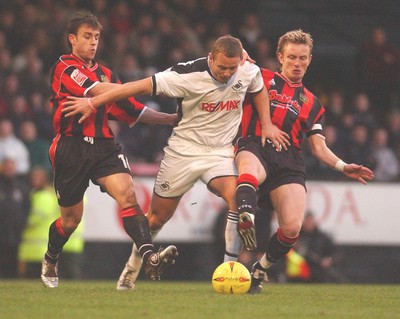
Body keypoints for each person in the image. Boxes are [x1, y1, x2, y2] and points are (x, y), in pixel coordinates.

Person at [62, 34, 290, 290]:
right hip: (182, 153)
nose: (227, 73)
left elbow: (258, 89)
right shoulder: (184, 75)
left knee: (238, 199)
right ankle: (131, 269)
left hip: (219, 152)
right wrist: (92, 102)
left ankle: (229, 272)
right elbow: (133, 87)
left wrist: (267, 124)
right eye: (222, 67)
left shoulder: (247, 71)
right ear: (210, 57)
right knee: (157, 218)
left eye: (232, 68)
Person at [40, 11, 178, 288]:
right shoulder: (65, 68)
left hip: (104, 147)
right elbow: (96, 90)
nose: (93, 43)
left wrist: (171, 120)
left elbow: (131, 110)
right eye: (87, 37)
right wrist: (147, 86)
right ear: (72, 39)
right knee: (70, 221)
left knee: (128, 195)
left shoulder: (106, 73)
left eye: (97, 37)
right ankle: (51, 257)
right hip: (71, 147)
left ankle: (149, 256)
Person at [234, 29, 375, 293]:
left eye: (302, 58)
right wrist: (237, 55)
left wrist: (344, 167)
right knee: (250, 168)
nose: (297, 63)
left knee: (291, 229)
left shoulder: (312, 103)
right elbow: (231, 63)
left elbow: (318, 147)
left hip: (289, 161)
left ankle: (259, 269)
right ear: (280, 57)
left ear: (309, 60)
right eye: (291, 57)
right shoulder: (260, 76)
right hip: (255, 143)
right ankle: (246, 213)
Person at [0, 157, 30, 278]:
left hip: (15, 229)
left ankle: (12, 278)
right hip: (1, 228)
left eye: (11, 166)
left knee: (14, 254)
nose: (9, 169)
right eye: (7, 166)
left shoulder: (21, 187)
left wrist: (22, 222)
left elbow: (27, 206)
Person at [285, 211, 336, 283]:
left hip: (318, 272)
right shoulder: (295, 237)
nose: (309, 223)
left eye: (310, 221)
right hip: (299, 273)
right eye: (307, 221)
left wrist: (329, 260)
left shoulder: (322, 237)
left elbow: (333, 252)